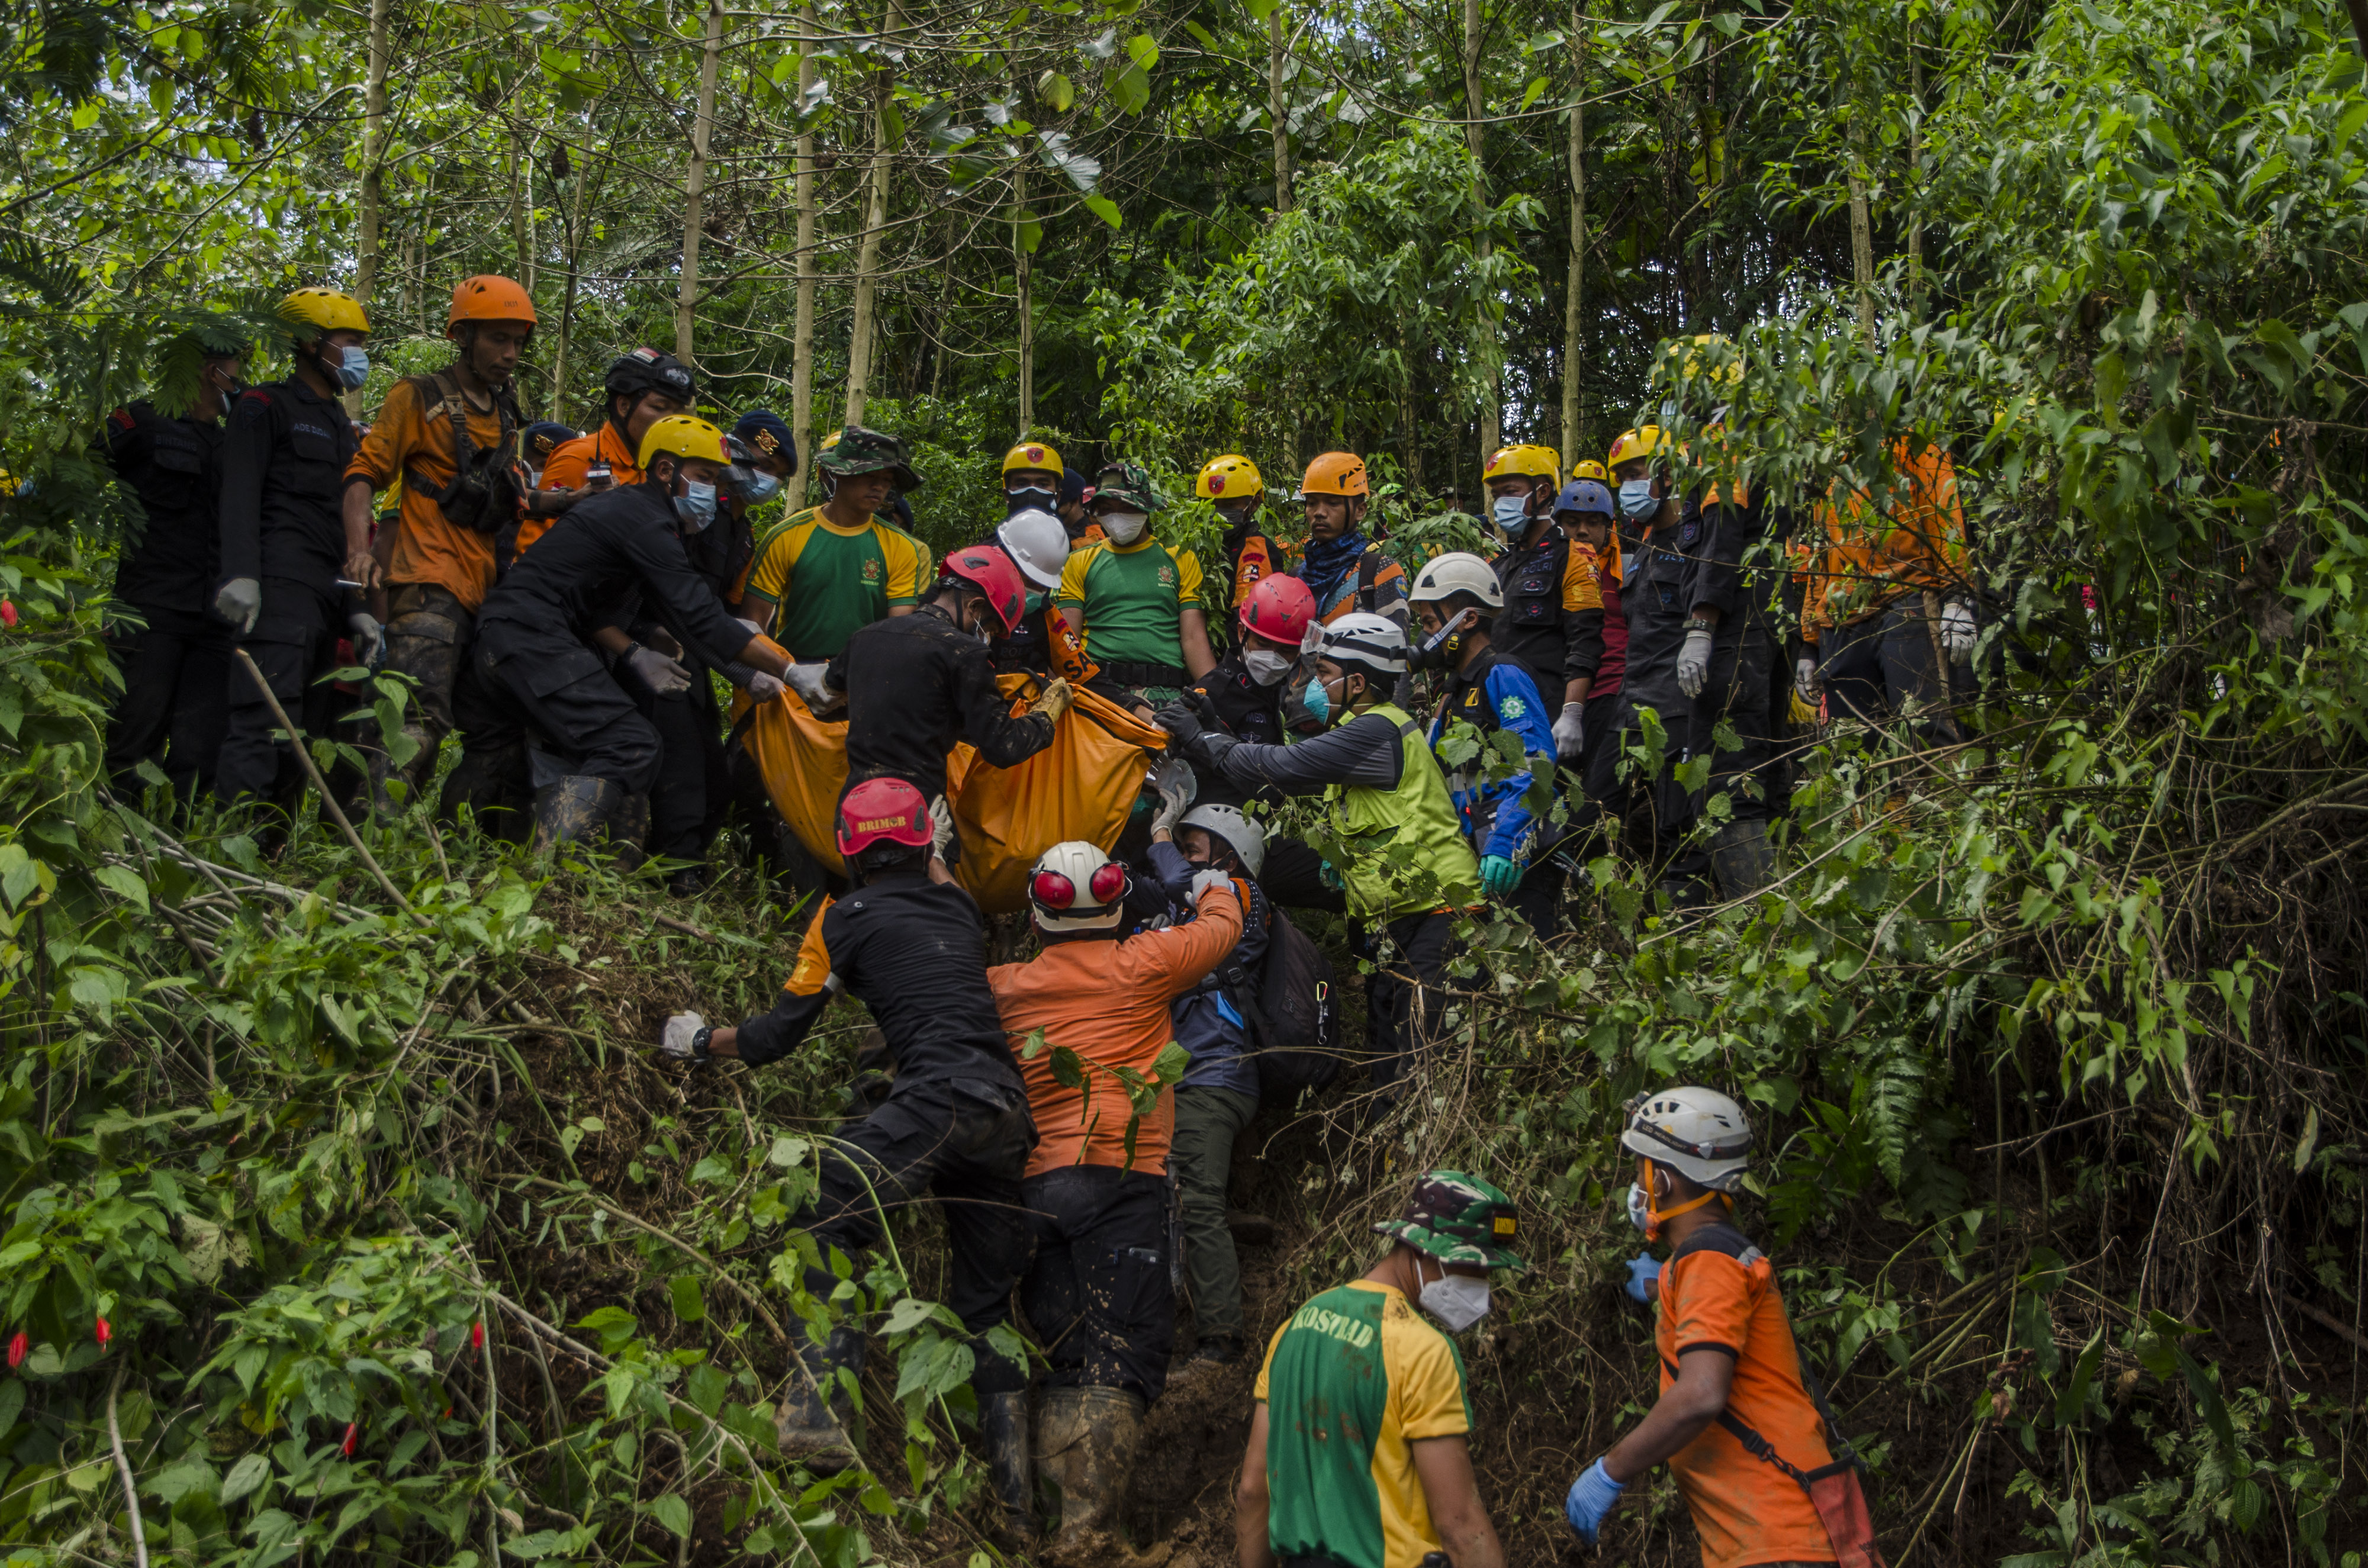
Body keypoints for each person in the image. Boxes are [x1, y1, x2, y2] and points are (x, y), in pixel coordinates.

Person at [657, 780, 1038, 1498]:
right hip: (1006, 1112)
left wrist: (701, 1041)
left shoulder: (842, 919)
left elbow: (776, 1037)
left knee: (823, 1208)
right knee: (986, 1309)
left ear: (847, 852)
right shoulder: (959, 908)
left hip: (936, 1099)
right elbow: (936, 871)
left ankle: (819, 1415)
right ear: (926, 845)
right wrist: (933, 838)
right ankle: (1016, 1503)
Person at [986, 839, 1246, 1563]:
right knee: (1119, 1356)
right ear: (1114, 903)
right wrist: (1208, 881)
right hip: (1121, 1179)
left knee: (1068, 1357)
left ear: (1035, 915)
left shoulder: (1002, 986)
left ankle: (1047, 1531)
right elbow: (1225, 925)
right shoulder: (1144, 962)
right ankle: (1087, 1538)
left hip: (1036, 1190)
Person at [1159, 614, 1478, 1092]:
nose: (1312, 684)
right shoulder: (1356, 733)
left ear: (1358, 683)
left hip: (1437, 913)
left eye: (1324, 673)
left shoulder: (1379, 730)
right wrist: (1216, 728)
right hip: (1395, 919)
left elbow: (1281, 766)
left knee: (1417, 1062)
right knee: (1387, 1059)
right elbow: (1276, 779)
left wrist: (1202, 739)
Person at [1565, 1086, 1872, 1568]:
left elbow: (1702, 1393)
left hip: (1778, 1537)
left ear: (1663, 1180)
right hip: (1775, 1537)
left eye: (1641, 1168)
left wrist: (1610, 1471)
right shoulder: (1712, 1257)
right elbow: (1713, 1311)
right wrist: (1662, 1285)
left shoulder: (1708, 1259)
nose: (1638, 1184)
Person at [458, 414, 793, 849]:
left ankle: (457, 854)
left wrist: (635, 649)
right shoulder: (646, 519)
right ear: (666, 470)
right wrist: (789, 672)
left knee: (499, 750)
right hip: (529, 633)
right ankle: (548, 869)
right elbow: (699, 616)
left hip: (509, 630)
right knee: (629, 743)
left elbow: (596, 603)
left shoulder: (643, 513)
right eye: (706, 478)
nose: (712, 491)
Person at [1236, 1171, 1522, 1568]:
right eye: (1475, 1268)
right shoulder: (1423, 1352)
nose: (1482, 1287)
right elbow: (1460, 1527)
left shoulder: (1294, 1328)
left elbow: (1252, 1492)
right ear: (1424, 1251)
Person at [340, 275, 540, 812]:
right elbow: (364, 472)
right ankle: (368, 832)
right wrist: (358, 549)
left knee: (474, 726)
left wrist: (580, 501)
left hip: (481, 593)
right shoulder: (419, 395)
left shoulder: (505, 412)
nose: (510, 353)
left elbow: (511, 501)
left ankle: (415, 830)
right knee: (412, 719)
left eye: (518, 341)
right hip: (426, 583)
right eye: (498, 339)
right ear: (463, 336)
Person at [1607, 422, 1785, 904]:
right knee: (1672, 818)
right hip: (1643, 704)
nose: (1628, 488)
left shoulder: (1724, 457)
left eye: (1636, 474)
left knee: (1727, 793)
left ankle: (1758, 916)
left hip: (1699, 682)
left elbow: (1723, 545)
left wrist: (1702, 626)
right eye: (1621, 478)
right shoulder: (1647, 544)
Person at [213, 287, 369, 813]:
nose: (357, 354)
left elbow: (343, 525)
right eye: (348, 342)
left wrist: (356, 609)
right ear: (308, 343)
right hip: (279, 591)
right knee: (264, 723)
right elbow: (240, 492)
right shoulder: (265, 406)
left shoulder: (342, 427)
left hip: (326, 599)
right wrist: (241, 573)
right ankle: (234, 840)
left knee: (304, 736)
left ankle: (274, 848)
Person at [1143, 800, 1270, 1383]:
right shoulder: (1192, 908)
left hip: (1214, 1075)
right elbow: (1155, 889)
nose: (1182, 855)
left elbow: (1173, 878)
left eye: (1193, 847)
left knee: (1196, 1199)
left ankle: (1221, 1344)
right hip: (1196, 1074)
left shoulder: (1238, 896)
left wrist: (1159, 832)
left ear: (1229, 858)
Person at [792, 545, 1068, 807]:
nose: (989, 638)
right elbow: (1003, 746)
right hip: (917, 810)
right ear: (975, 607)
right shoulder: (966, 654)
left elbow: (824, 702)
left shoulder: (865, 637)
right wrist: (1047, 713)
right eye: (992, 630)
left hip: (855, 806)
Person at [103, 326, 246, 799]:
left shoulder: (232, 445)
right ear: (211, 372)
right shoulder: (142, 422)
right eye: (236, 372)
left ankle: (180, 838)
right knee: (134, 735)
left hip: (213, 620)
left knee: (200, 749)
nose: (240, 383)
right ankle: (119, 833)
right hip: (152, 610)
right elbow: (83, 468)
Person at [1408, 553, 1563, 933]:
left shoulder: (1503, 674)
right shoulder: (1452, 695)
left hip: (1516, 856)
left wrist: (1507, 839)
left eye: (1430, 623)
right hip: (1476, 856)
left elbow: (1536, 764)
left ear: (1468, 620)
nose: (1425, 637)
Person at [1799, 437, 1974, 747]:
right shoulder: (1829, 454)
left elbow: (1945, 518)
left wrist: (1956, 598)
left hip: (1907, 601)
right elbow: (1822, 554)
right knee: (1854, 747)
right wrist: (1809, 644)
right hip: (1840, 619)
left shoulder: (1914, 441)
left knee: (1927, 731)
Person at [739, 426, 932, 665]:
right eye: (870, 476)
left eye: (887, 480)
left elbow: (897, 632)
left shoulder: (901, 547)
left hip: (864, 668)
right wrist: (773, 671)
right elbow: (754, 620)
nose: (879, 487)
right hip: (795, 667)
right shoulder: (786, 535)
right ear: (839, 473)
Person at [1484, 443, 1605, 772]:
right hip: (1498, 713)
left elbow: (1586, 640)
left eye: (1511, 492)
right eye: (1497, 495)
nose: (1502, 503)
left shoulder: (1574, 555)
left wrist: (1572, 713)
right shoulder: (1498, 567)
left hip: (1546, 714)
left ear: (1543, 492)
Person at [1056, 460, 1216, 707]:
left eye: (1126, 507)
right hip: (1099, 691)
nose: (1117, 516)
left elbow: (1193, 638)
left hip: (1164, 693)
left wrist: (1215, 696)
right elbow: (1068, 642)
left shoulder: (1180, 558)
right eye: (1107, 508)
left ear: (1145, 508)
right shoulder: (1079, 561)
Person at [519, 347, 697, 554]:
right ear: (624, 406)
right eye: (660, 407)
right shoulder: (579, 458)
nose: (671, 421)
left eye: (678, 412)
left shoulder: (653, 468)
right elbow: (530, 551)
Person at [1549, 476, 1633, 830]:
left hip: (1612, 691)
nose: (1582, 531)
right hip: (1563, 690)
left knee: (1601, 793)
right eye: (1573, 522)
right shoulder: (1550, 567)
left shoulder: (1629, 569)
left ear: (1608, 526)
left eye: (1593, 523)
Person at [1288, 451, 1407, 633]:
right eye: (1312, 503)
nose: (1319, 512)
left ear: (1360, 511)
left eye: (1333, 503)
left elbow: (1396, 645)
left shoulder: (1380, 572)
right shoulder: (1295, 578)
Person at [983, 505, 1096, 684]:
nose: (1038, 592)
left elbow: (1082, 674)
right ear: (1007, 562)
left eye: (1044, 586)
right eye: (1031, 582)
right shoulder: (971, 606)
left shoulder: (1044, 613)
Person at [1195, 453, 1290, 608]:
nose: (1219, 515)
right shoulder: (1197, 544)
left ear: (1254, 504)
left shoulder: (1258, 548)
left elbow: (1251, 613)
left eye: (1230, 505)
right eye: (1211, 506)